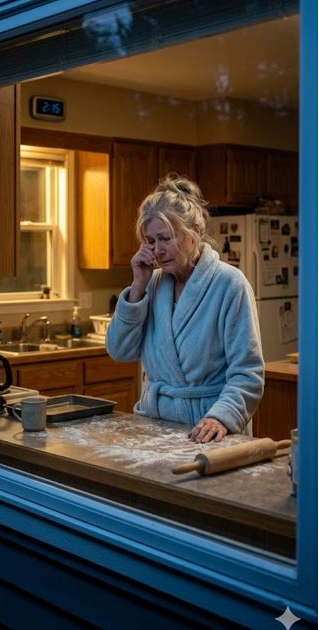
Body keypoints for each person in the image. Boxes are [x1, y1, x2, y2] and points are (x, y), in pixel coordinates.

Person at [106, 175, 264, 443]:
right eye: (150, 241)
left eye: (165, 238)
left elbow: (247, 372)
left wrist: (221, 417)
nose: (158, 250)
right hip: (154, 424)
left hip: (209, 428)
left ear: (195, 231)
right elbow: (119, 351)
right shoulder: (151, 285)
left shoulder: (229, 284)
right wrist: (137, 286)